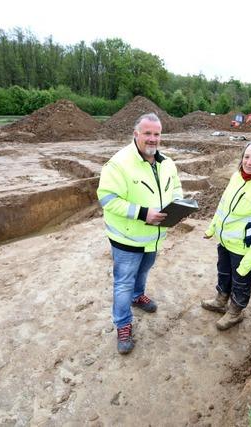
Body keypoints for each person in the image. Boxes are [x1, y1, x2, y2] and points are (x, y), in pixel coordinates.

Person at [97, 113, 182, 354]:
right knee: (123, 283)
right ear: (136, 134)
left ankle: (138, 296)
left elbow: (175, 188)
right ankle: (123, 325)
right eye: (147, 133)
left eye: (157, 134)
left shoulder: (167, 163)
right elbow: (107, 199)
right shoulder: (118, 164)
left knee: (144, 270)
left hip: (153, 237)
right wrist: (143, 213)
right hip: (126, 238)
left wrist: (177, 206)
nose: (152, 139)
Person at [201, 140, 251, 330]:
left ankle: (236, 311)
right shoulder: (237, 177)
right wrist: (212, 228)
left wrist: (249, 261)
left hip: (245, 249)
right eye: (246, 157)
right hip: (226, 241)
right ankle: (221, 300)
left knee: (241, 281)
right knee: (224, 273)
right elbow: (222, 205)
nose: (249, 162)